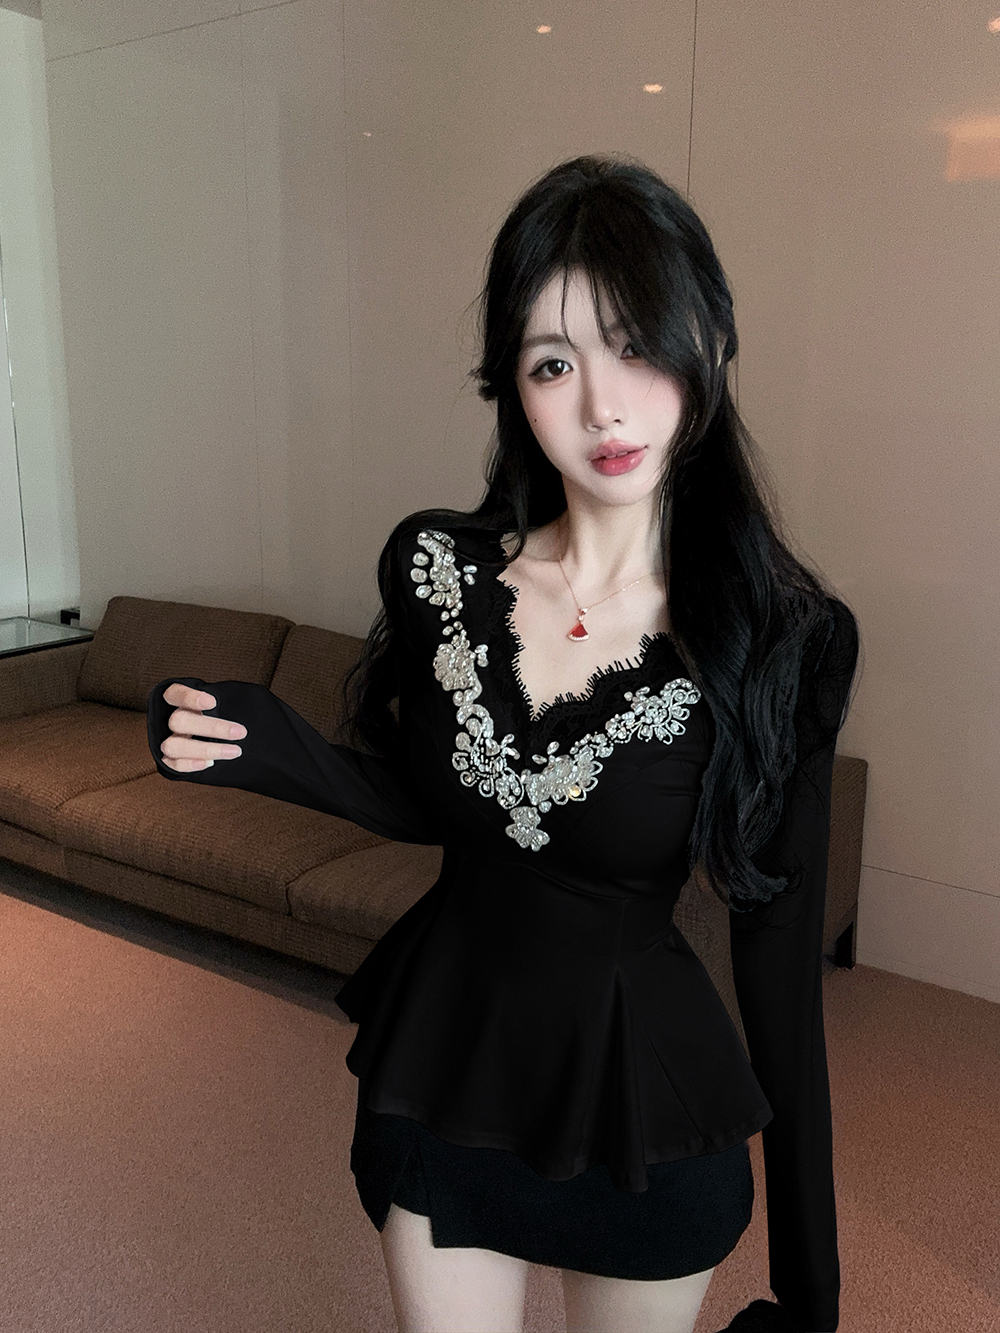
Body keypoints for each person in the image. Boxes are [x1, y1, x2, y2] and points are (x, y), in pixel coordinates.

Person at [146, 154, 861, 1333]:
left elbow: (782, 980)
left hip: (646, 1119)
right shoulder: (440, 570)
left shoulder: (785, 637)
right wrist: (280, 750)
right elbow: (455, 802)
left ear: (711, 341)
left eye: (636, 345)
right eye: (552, 364)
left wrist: (811, 1293)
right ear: (511, 389)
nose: (602, 408)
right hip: (444, 1071)